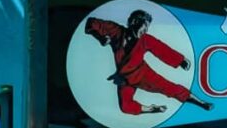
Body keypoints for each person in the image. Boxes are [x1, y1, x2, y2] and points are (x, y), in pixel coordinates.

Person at [84, 9, 212, 116]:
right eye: (144, 27)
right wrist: (99, 37)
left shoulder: (145, 40)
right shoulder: (116, 31)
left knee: (170, 88)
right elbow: (91, 22)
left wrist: (181, 61)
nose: (145, 31)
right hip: (123, 79)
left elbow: (161, 50)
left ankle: (201, 103)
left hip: (143, 75)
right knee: (125, 107)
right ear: (134, 22)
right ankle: (151, 109)